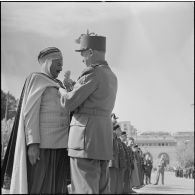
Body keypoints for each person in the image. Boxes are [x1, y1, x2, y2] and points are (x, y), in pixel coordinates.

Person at [1, 47, 70, 194]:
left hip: (62, 146)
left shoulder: (61, 85)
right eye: (58, 62)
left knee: (57, 189)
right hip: (43, 147)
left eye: (62, 63)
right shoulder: (36, 79)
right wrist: (32, 143)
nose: (61, 67)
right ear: (47, 62)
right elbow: (30, 112)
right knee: (39, 186)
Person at [59, 31, 118, 194]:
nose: (82, 59)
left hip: (85, 141)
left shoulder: (92, 72)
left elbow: (69, 102)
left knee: (84, 189)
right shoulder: (111, 75)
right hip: (103, 142)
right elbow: (92, 101)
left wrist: (62, 91)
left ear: (91, 52)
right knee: (101, 189)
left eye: (83, 54)